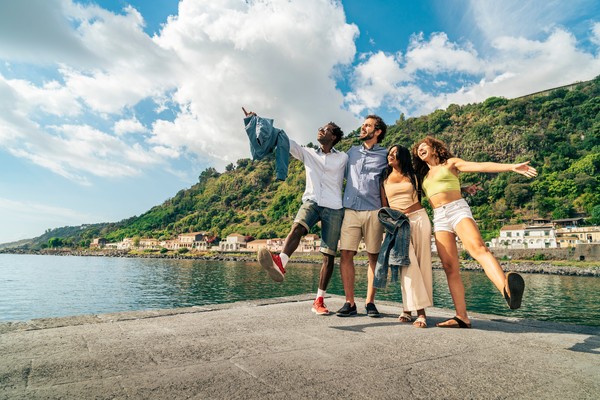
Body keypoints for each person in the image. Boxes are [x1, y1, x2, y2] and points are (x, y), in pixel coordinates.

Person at [412, 136, 538, 328]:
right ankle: (461, 316)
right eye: (417, 149)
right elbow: (440, 187)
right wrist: (463, 188)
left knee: (478, 249)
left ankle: (507, 291)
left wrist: (511, 167)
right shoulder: (424, 176)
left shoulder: (451, 163)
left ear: (434, 148)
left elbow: (480, 165)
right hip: (439, 217)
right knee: (449, 267)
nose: (419, 150)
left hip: (456, 210)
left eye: (423, 146)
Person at [245, 108, 348, 316]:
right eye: (320, 128)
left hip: (335, 206)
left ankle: (319, 300)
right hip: (312, 200)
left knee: (328, 255)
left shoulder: (344, 158)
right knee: (298, 226)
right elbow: (282, 139)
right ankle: (281, 262)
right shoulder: (308, 153)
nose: (320, 130)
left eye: (325, 129)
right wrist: (255, 121)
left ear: (333, 137)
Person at [337, 115, 388, 317]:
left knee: (373, 257)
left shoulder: (385, 155)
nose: (363, 128)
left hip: (374, 210)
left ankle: (370, 302)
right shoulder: (350, 153)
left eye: (367, 126)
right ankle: (349, 302)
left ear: (377, 132)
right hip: (350, 209)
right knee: (346, 254)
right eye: (363, 124)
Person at [379, 144, 433, 328]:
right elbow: (384, 206)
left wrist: (463, 189)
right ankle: (420, 312)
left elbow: (432, 189)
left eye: (395, 153)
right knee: (407, 265)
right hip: (399, 224)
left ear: (402, 156)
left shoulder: (414, 175)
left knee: (422, 263)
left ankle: (408, 309)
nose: (390, 156)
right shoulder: (384, 178)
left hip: (419, 219)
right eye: (389, 153)